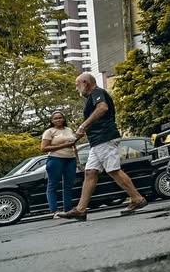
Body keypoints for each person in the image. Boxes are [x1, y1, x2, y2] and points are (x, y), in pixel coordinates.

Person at [56, 74, 148, 221]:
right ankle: (80, 210)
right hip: (97, 140)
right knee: (90, 172)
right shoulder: (92, 97)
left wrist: (83, 126)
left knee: (113, 170)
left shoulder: (97, 92)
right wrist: (80, 133)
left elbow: (102, 108)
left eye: (77, 84)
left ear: (86, 83)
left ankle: (137, 198)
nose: (76, 88)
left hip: (105, 137)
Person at [39, 111, 82, 218]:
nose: (58, 120)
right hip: (55, 160)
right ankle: (54, 211)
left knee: (68, 185)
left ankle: (67, 210)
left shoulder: (69, 130)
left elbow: (73, 146)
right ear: (52, 121)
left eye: (60, 118)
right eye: (56, 118)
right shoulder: (49, 132)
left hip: (70, 160)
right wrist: (63, 145)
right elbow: (43, 148)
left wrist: (78, 162)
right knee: (52, 185)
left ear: (64, 119)